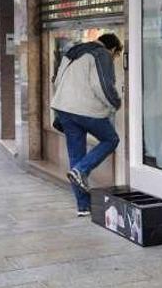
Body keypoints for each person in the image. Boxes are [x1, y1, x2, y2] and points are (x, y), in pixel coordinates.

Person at [51, 33, 123, 216]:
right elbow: (103, 86)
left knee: (76, 156)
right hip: (85, 110)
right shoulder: (101, 54)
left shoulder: (73, 51)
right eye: (116, 55)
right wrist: (116, 103)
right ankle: (82, 170)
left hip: (64, 109)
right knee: (110, 139)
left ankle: (83, 207)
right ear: (112, 49)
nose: (114, 59)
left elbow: (57, 80)